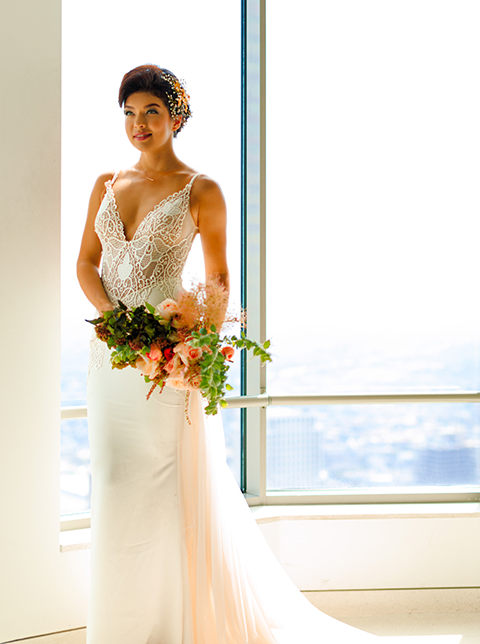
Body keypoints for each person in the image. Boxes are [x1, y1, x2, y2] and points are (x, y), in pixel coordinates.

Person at [77, 64, 375, 643]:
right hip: (111, 360)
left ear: (175, 117)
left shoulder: (201, 189)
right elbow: (86, 264)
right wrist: (119, 327)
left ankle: (170, 628)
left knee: (163, 490)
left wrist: (191, 352)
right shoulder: (105, 184)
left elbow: (217, 281)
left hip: (168, 365)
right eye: (129, 114)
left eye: (151, 113)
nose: (139, 124)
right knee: (113, 482)